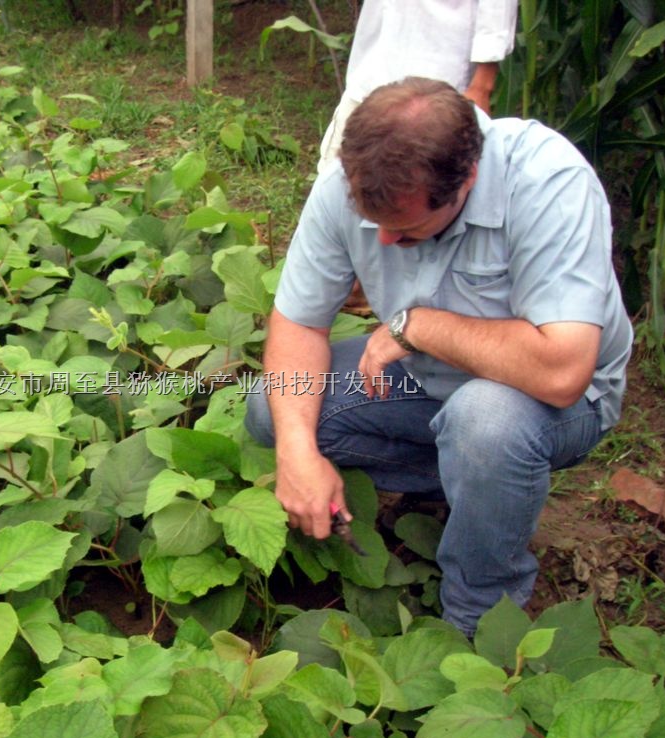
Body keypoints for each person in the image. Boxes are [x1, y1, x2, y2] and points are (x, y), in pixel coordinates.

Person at [245, 77, 634, 636]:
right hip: (423, 382)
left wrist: (419, 326)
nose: (381, 243)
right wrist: (298, 452)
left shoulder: (548, 181)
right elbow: (299, 325)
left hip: (554, 402)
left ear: (467, 178)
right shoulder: (348, 186)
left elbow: (563, 371)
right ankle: (479, 487)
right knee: (274, 411)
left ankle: (478, 619)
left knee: (487, 422)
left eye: (405, 230)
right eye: (372, 222)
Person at [319, 1, 518, 173]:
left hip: (437, 83)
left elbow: (496, 8)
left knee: (415, 188)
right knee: (335, 177)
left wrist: (481, 86)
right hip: (371, 71)